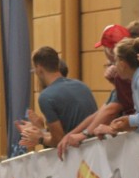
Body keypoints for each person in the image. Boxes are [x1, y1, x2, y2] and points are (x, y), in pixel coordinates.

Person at [57, 24, 134, 157]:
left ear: (109, 50)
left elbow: (112, 110)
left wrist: (84, 134)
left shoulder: (122, 74)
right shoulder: (124, 72)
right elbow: (101, 111)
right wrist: (71, 135)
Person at [18, 47, 97, 150]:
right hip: (95, 148)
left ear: (39, 68)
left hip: (76, 153)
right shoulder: (81, 86)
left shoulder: (46, 97)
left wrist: (39, 139)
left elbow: (59, 140)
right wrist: (41, 130)